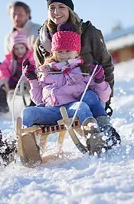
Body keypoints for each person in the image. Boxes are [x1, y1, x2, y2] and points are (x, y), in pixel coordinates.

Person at [22, 23, 120, 161]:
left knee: (83, 106)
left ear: (76, 51)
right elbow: (39, 100)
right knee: (27, 112)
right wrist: (32, 80)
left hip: (70, 110)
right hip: (50, 111)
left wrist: (99, 80)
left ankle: (93, 138)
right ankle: (29, 146)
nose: (64, 55)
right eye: (60, 51)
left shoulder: (83, 70)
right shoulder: (46, 71)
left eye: (68, 51)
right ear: (54, 52)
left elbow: (103, 97)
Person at [33, 0, 115, 116]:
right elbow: (41, 76)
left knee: (89, 100)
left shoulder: (89, 32)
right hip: (58, 103)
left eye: (61, 7)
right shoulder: (42, 41)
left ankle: (100, 131)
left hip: (88, 95)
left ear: (70, 9)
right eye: (52, 7)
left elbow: (106, 65)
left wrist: (106, 100)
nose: (56, 11)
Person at [0, 1, 40, 119]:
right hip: (15, 73)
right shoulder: (9, 37)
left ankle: (36, 104)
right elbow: (9, 60)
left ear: (27, 14)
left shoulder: (36, 30)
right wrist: (4, 77)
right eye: (13, 15)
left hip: (33, 71)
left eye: (20, 14)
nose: (16, 17)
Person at [0, 31, 36, 119]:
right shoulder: (10, 58)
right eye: (16, 49)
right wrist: (4, 78)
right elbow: (3, 68)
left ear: (26, 47)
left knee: (35, 83)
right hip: (14, 81)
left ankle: (34, 104)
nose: (19, 51)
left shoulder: (31, 57)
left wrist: (28, 77)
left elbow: (33, 67)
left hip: (26, 80)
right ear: (12, 49)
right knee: (2, 86)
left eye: (21, 48)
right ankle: (1, 105)